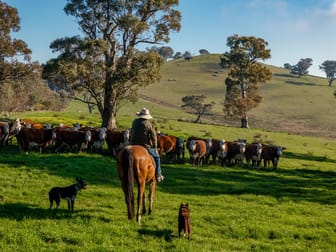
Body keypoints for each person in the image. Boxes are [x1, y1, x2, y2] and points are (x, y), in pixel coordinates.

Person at [130, 108, 164, 182]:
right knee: (157, 157)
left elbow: (131, 131)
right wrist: (155, 147)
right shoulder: (148, 124)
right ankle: (158, 174)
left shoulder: (135, 122)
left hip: (132, 144)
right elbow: (154, 136)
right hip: (145, 146)